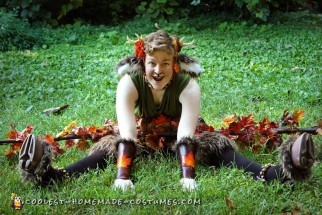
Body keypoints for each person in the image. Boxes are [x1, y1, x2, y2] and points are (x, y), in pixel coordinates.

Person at [18, 30, 315, 191]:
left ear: (175, 64)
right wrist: (123, 176)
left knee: (222, 149)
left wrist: (188, 176)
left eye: (164, 64)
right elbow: (128, 133)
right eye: (151, 63)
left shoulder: (188, 86)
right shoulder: (128, 84)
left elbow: (186, 133)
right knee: (104, 148)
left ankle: (276, 173)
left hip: (182, 137)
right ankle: (55, 176)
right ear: (142, 63)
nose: (157, 71)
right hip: (143, 137)